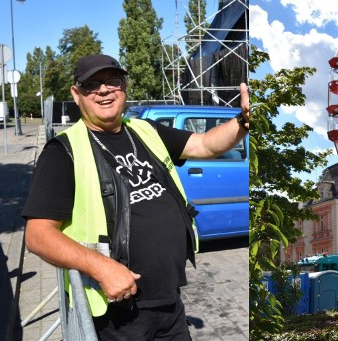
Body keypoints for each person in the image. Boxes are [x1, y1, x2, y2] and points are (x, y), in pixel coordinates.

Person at [22, 54, 249, 339]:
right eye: (92, 84)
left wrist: (243, 121)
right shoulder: (63, 151)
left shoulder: (144, 130)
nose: (104, 90)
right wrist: (101, 267)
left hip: (169, 302)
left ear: (124, 87)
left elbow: (205, 144)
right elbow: (37, 235)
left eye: (113, 81)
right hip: (116, 313)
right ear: (76, 94)